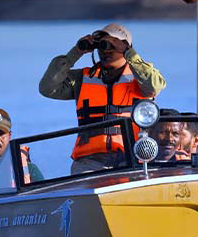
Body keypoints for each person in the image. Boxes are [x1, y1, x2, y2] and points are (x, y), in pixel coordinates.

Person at [39, 23, 166, 174]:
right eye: (101, 45)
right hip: (90, 161)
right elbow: (47, 88)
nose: (104, 51)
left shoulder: (140, 76)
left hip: (132, 156)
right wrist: (76, 52)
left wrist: (129, 53)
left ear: (124, 46)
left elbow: (154, 86)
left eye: (111, 45)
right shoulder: (82, 78)